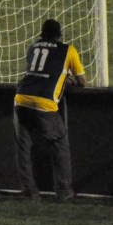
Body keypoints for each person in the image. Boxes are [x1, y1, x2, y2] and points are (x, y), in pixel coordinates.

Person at [13, 18, 87, 202]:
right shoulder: (67, 50)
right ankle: (63, 191)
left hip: (21, 99)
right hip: (44, 103)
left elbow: (37, 70)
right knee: (59, 144)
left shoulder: (32, 47)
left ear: (42, 35)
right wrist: (68, 80)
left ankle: (30, 193)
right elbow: (83, 82)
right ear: (59, 35)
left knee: (23, 148)